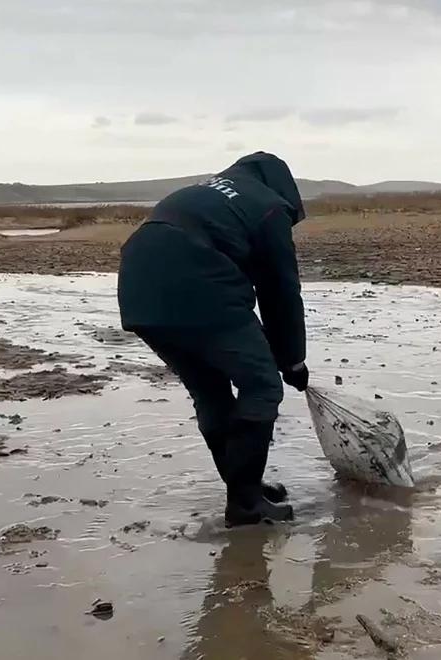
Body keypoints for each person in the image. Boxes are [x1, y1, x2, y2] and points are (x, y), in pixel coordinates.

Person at [118, 152, 309, 527]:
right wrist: (293, 361)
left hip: (138, 293)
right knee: (261, 386)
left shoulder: (204, 193)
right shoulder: (269, 207)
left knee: (210, 392)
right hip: (197, 282)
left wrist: (284, 354)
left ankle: (245, 490)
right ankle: (245, 504)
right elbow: (280, 290)